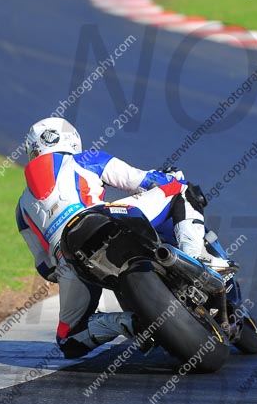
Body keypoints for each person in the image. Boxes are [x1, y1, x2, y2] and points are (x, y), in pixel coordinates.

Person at [16, 117, 222, 359]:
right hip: (109, 219)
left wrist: (64, 268)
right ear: (72, 141)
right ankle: (194, 260)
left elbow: (44, 266)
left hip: (70, 260)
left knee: (69, 341)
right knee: (182, 190)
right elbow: (142, 181)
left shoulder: (21, 209)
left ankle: (129, 323)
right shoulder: (85, 159)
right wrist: (170, 177)